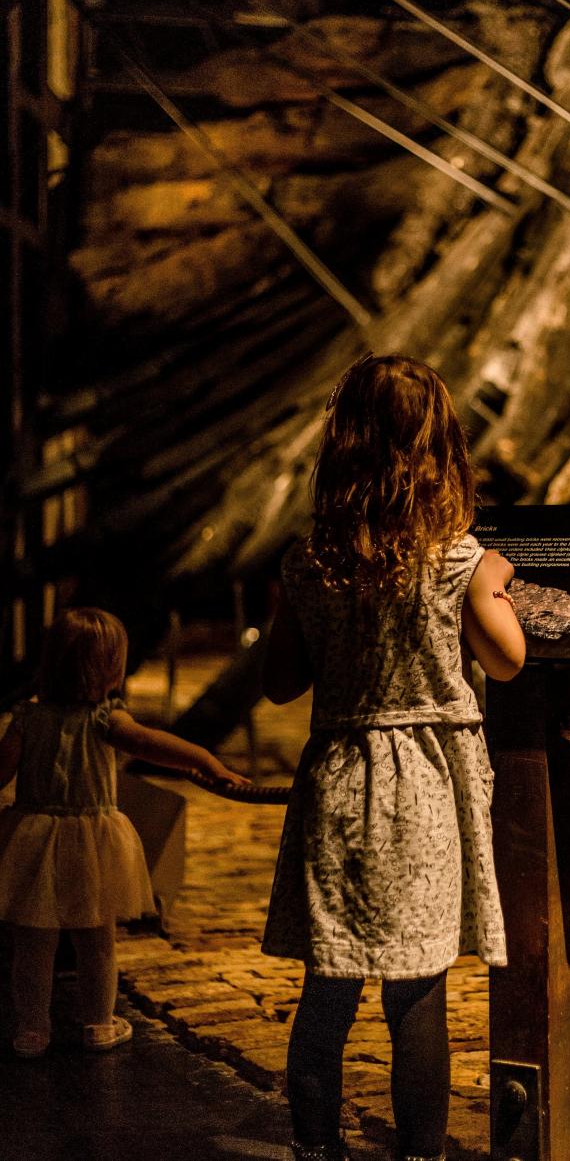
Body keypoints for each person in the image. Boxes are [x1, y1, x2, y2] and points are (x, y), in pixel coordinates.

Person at [261, 353, 526, 1161]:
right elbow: (507, 659)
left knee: (327, 990)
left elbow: (278, 682)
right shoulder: (458, 562)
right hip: (423, 793)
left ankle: (316, 1147)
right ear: (439, 450)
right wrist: (499, 581)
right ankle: (421, 1153)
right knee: (418, 994)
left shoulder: (312, 563)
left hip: (337, 786)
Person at [0, 606, 248, 1058]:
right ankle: (98, 1023)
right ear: (109, 669)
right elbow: (159, 745)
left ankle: (32, 1030)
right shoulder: (105, 720)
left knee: (33, 944)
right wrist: (206, 761)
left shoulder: (26, 719)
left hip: (34, 837)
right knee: (96, 940)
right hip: (91, 844)